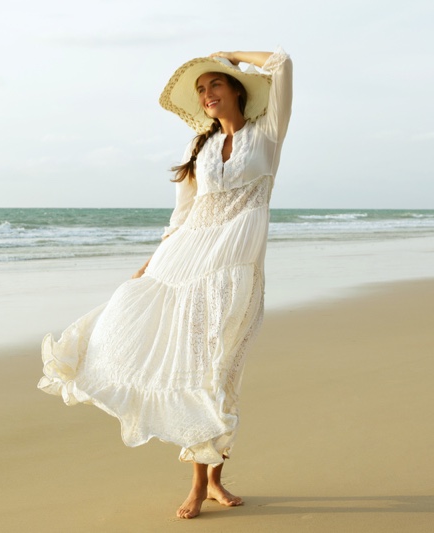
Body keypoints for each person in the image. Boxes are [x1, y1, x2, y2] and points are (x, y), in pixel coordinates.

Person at [39, 46, 293, 519]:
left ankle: (214, 477)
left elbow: (281, 63)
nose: (207, 93)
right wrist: (152, 260)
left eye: (215, 83)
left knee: (223, 370)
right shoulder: (199, 146)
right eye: (201, 89)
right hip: (184, 263)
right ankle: (199, 485)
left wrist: (231, 56)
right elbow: (183, 214)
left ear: (237, 88)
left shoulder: (268, 133)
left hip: (234, 267)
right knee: (192, 365)